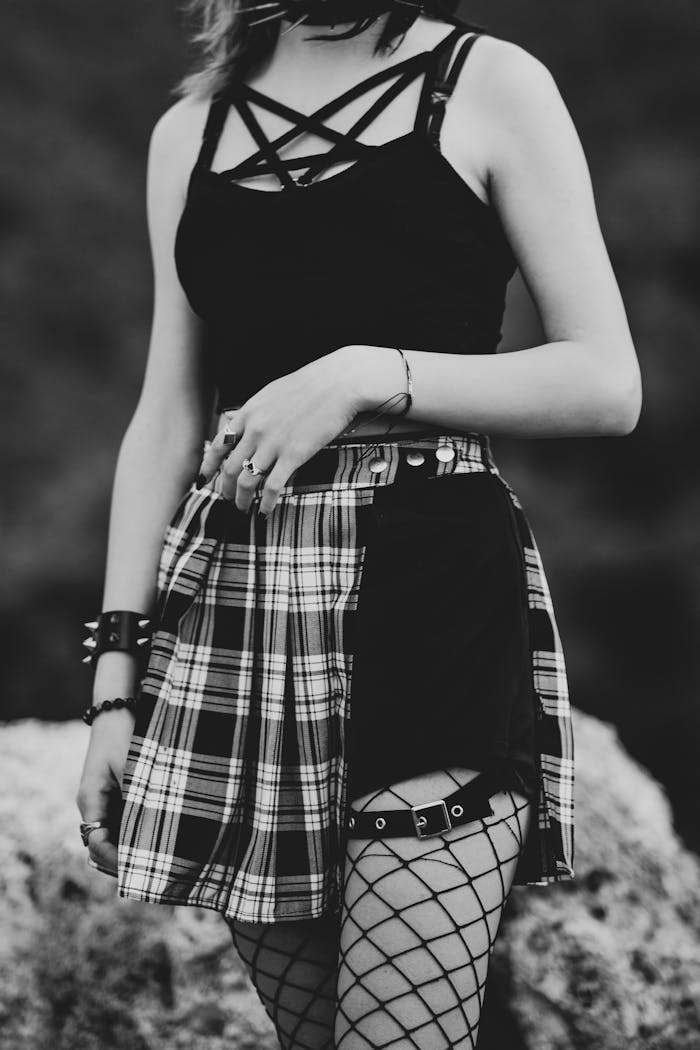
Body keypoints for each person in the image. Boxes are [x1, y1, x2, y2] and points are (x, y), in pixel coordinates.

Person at [76, 0, 642, 1046]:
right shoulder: (191, 129)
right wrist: (114, 681)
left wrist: (366, 377)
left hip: (430, 592)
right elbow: (164, 416)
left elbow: (606, 383)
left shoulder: (487, 82)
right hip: (237, 620)